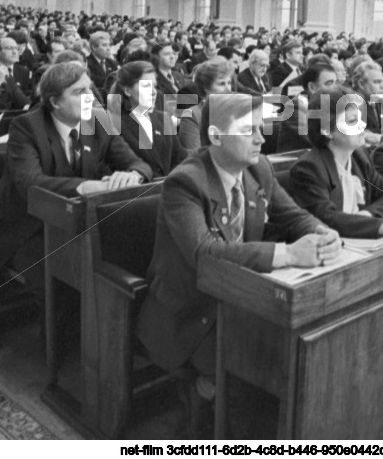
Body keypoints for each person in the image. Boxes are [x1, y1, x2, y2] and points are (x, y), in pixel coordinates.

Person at [136, 93, 341, 438]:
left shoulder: (259, 168)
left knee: (302, 350)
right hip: (192, 311)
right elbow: (205, 254)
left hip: (242, 298)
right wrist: (289, 254)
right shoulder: (185, 182)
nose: (261, 138)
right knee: (258, 365)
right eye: (249, 130)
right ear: (215, 136)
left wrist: (322, 233)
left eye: (261, 128)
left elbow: (293, 215)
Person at [0, 62, 153, 290]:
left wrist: (134, 175)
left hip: (76, 222)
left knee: (125, 262)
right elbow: (30, 183)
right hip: (27, 225)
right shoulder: (26, 126)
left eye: (90, 88)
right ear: (55, 102)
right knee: (65, 278)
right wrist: (85, 187)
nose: (90, 97)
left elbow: (137, 163)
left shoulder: (99, 119)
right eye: (79, 92)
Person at [289, 85, 383, 239]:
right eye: (352, 121)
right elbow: (328, 220)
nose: (363, 125)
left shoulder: (359, 158)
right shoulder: (309, 168)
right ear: (327, 131)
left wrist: (366, 215)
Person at [109, 60, 186, 178]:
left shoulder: (164, 118)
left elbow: (179, 157)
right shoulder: (114, 123)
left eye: (154, 86)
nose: (154, 92)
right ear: (127, 91)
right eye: (146, 86)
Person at [177, 58, 233, 152]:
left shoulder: (235, 111)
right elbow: (195, 155)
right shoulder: (192, 115)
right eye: (221, 84)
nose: (228, 89)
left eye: (229, 83)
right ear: (206, 87)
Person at [86, 31, 118, 100]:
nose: (108, 48)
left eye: (109, 45)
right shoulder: (86, 64)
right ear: (94, 47)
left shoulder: (113, 63)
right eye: (104, 45)